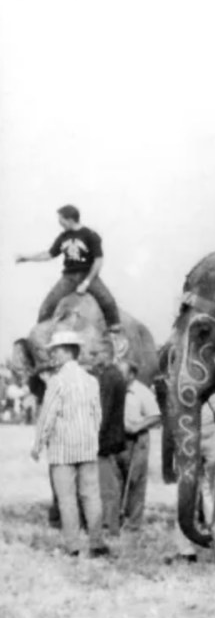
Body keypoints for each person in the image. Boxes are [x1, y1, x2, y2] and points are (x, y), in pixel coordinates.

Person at [30, 330, 109, 558]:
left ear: (66, 351)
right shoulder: (91, 380)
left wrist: (38, 444)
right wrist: (92, 437)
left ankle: (73, 546)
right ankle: (97, 543)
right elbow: (97, 415)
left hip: (63, 448)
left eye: (55, 350)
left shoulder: (57, 381)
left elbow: (48, 416)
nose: (53, 355)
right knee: (91, 496)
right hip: (87, 446)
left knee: (67, 499)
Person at [15, 205, 127, 354]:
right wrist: (27, 258)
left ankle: (116, 337)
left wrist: (87, 282)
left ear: (68, 219)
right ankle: (40, 339)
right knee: (47, 306)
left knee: (108, 301)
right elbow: (48, 254)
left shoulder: (90, 235)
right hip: (68, 277)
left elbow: (98, 261)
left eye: (60, 218)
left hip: (87, 275)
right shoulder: (63, 237)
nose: (59, 222)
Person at [167, 389, 215, 564]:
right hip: (207, 433)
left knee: (189, 494)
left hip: (194, 433)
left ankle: (188, 549)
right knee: (214, 493)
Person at [119, 361, 161, 532]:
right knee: (117, 480)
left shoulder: (142, 392)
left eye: (122, 373)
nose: (118, 376)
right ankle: (117, 518)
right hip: (118, 440)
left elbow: (157, 416)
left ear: (131, 375)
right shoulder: (115, 389)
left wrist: (138, 426)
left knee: (135, 480)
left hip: (137, 440)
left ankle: (134, 523)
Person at [93, 339, 129, 536]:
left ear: (106, 353)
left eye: (96, 353)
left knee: (107, 486)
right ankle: (111, 523)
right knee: (112, 483)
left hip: (105, 439)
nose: (94, 357)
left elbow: (103, 411)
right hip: (114, 437)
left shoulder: (108, 377)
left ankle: (110, 525)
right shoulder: (116, 375)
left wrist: (95, 437)